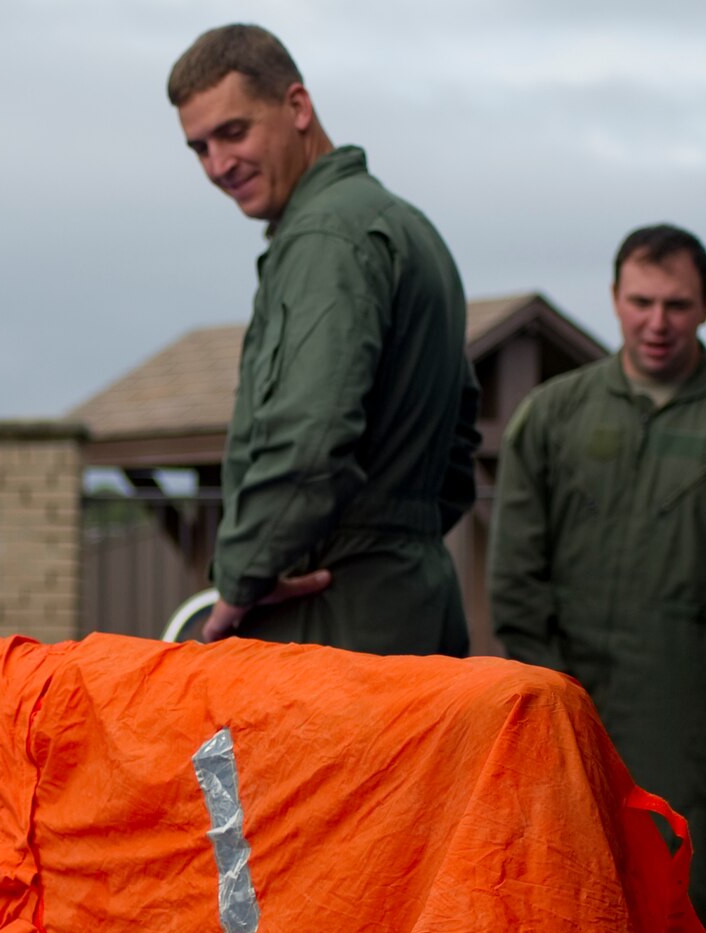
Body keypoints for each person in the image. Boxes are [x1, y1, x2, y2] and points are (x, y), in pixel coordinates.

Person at [489, 225, 706, 933]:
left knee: (678, 922)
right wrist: (543, 693)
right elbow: (516, 569)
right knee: (563, 915)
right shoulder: (553, 416)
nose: (657, 322)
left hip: (692, 715)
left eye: (676, 304)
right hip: (566, 706)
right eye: (641, 301)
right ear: (615, 299)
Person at [168, 23, 478, 655]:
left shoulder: (326, 239)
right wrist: (399, 546)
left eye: (234, 132)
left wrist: (241, 579)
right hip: (410, 606)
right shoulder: (402, 225)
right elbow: (461, 441)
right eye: (199, 147)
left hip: (330, 626)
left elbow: (307, 441)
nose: (219, 165)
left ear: (297, 107)